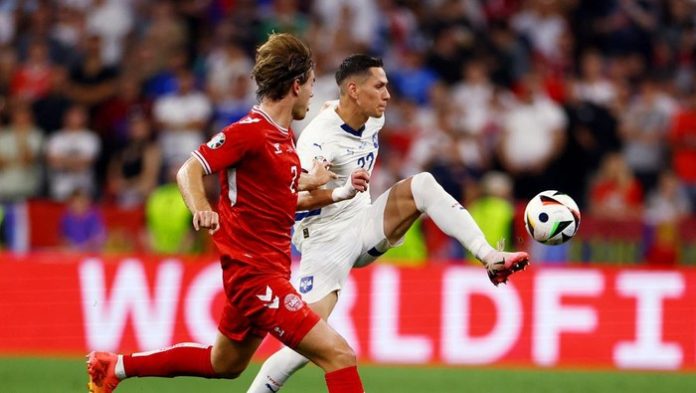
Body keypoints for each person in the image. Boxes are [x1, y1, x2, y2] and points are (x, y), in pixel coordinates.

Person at [86, 33, 370, 393]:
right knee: (339, 354)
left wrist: (337, 191)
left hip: (262, 273)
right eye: (312, 84)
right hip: (256, 277)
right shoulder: (248, 132)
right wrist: (201, 208)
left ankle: (116, 367)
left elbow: (286, 201)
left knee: (224, 364)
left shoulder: (283, 140)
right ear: (296, 85)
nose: (314, 94)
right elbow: (188, 170)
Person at [247, 54, 530, 393]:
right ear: (354, 90)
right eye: (379, 86)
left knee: (422, 184)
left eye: (387, 86)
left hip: (363, 223)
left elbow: (336, 109)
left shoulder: (371, 118)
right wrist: (340, 191)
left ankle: (489, 257)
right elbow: (292, 200)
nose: (387, 95)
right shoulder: (317, 141)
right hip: (324, 240)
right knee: (304, 344)